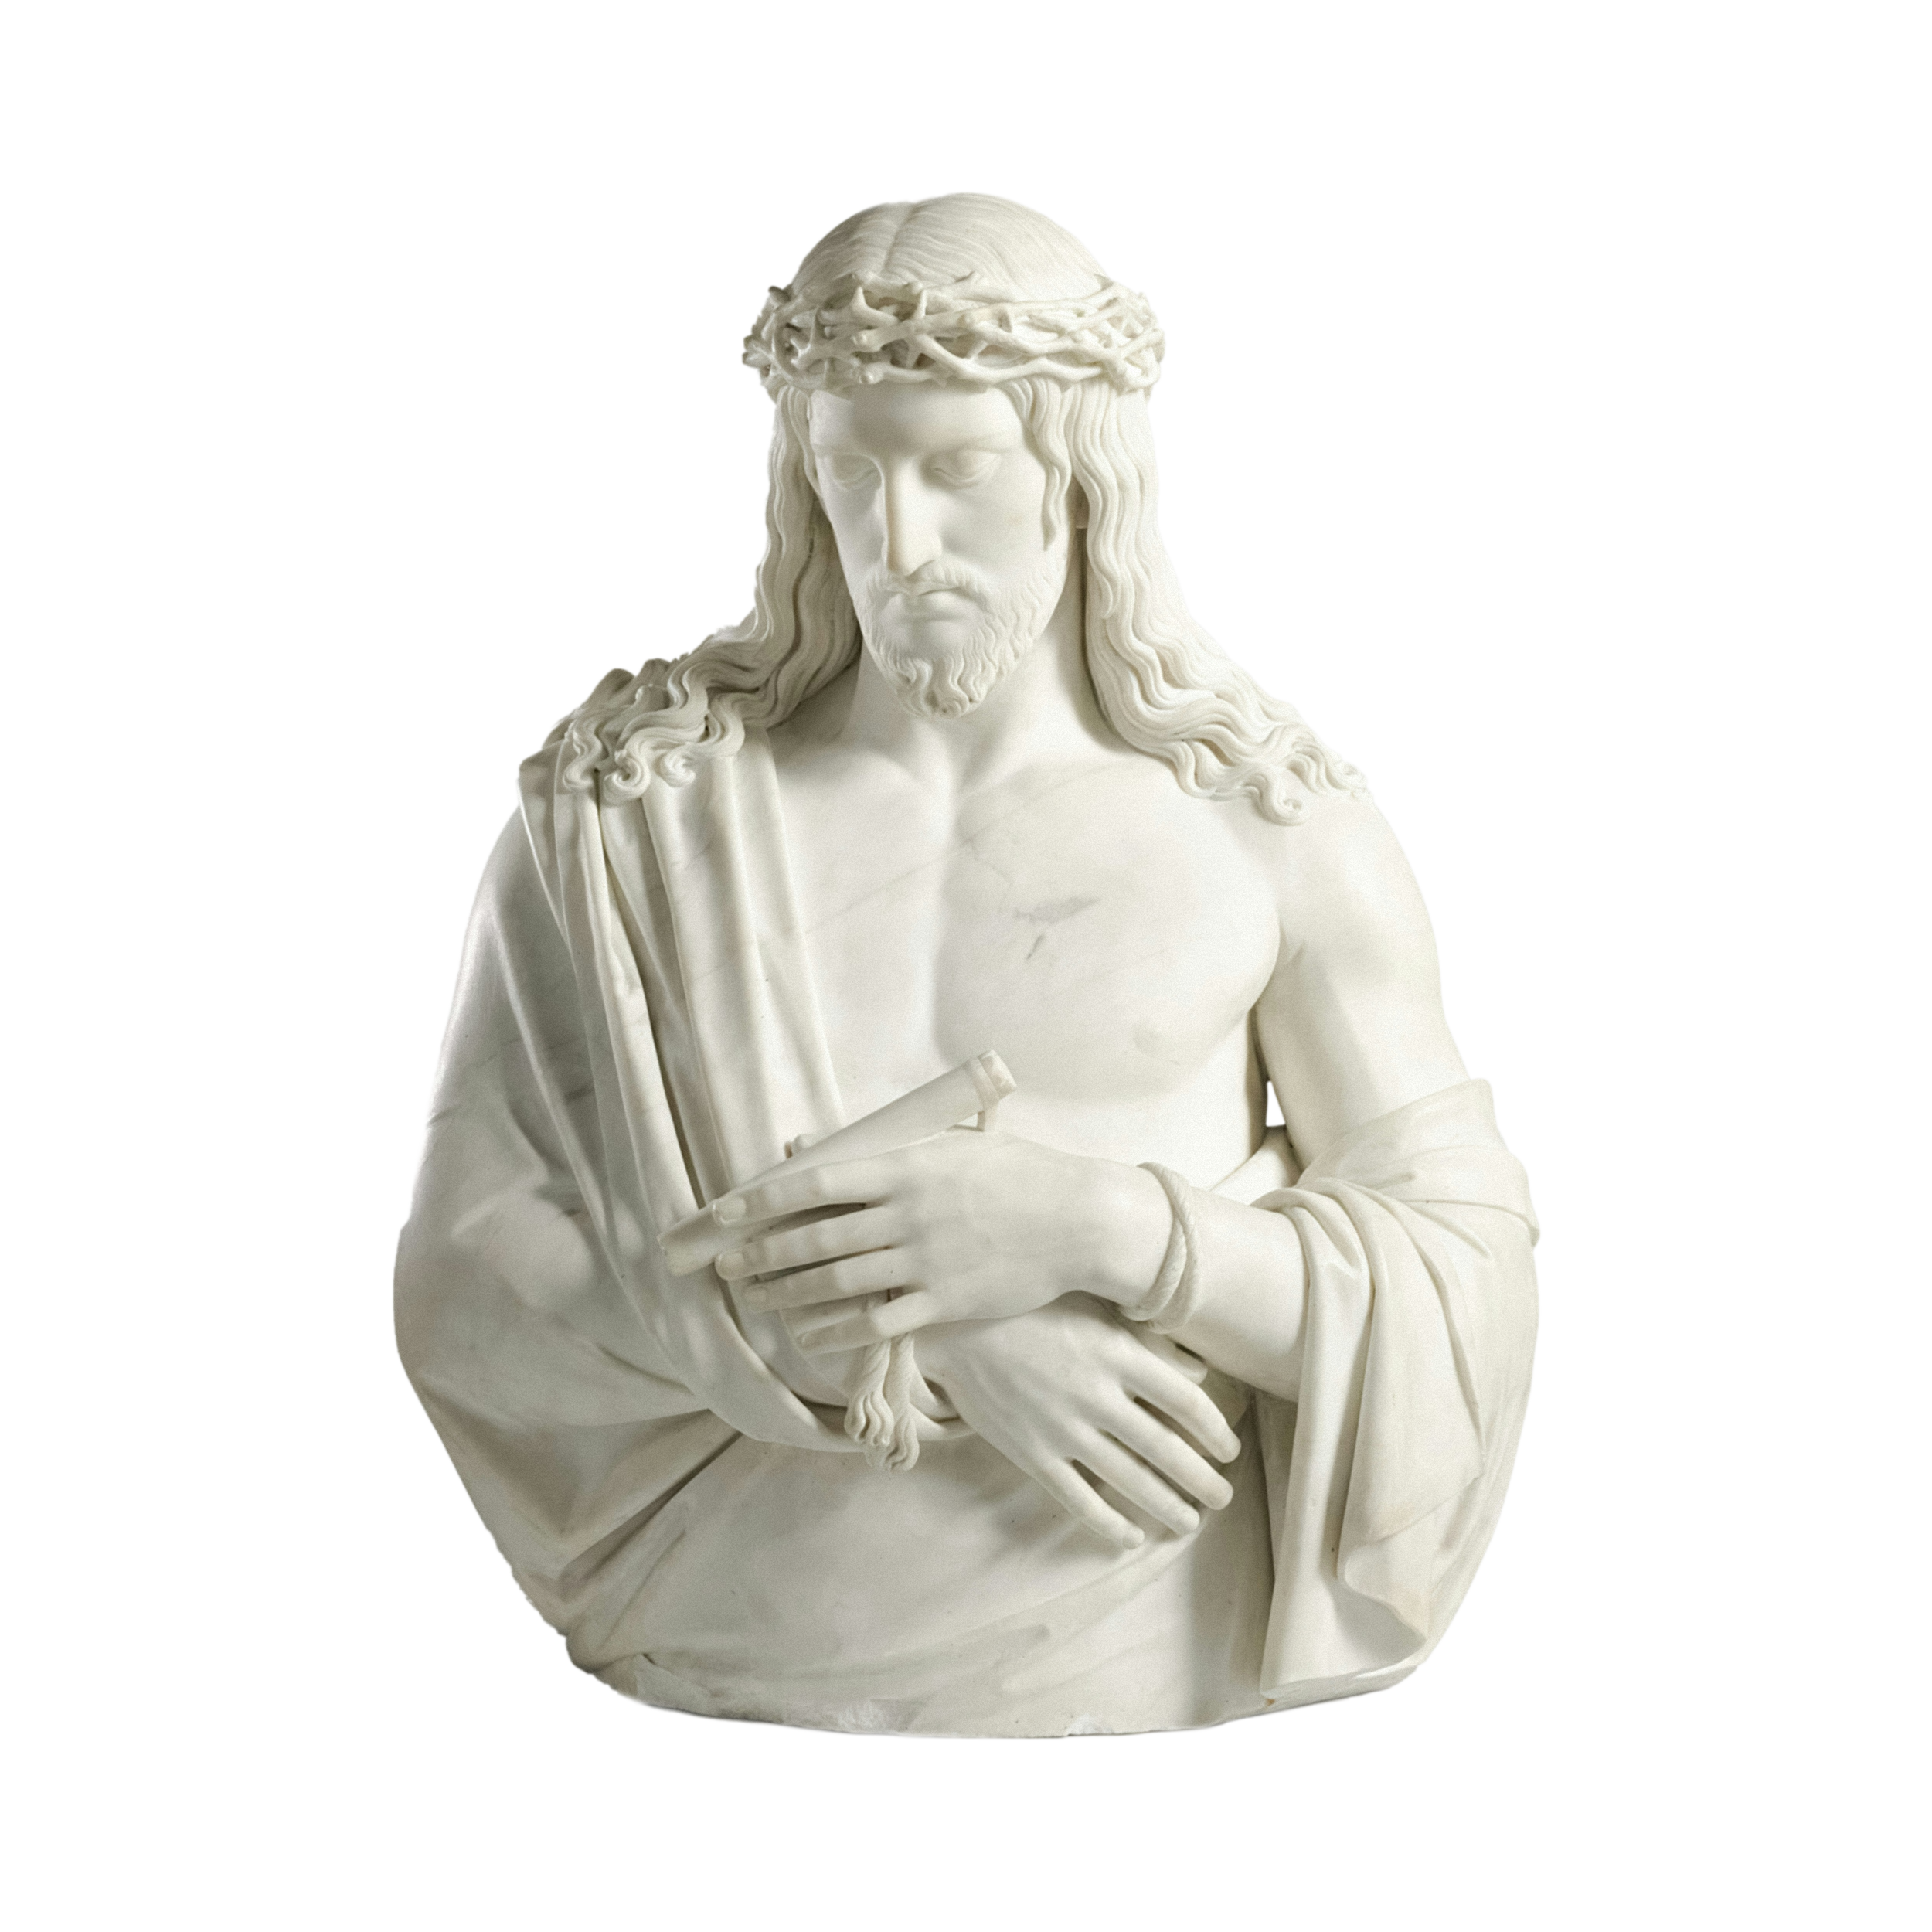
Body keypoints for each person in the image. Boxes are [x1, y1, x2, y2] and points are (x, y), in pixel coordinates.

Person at [392, 192, 1541, 1737]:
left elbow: (1464, 1289)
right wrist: (911, 1326)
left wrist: (1103, 1230)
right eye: (850, 470)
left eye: (955, 469)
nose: (897, 542)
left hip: (1153, 1647)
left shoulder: (1269, 825)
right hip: (742, 1616)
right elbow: (466, 1279)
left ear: (1084, 470)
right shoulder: (627, 809)